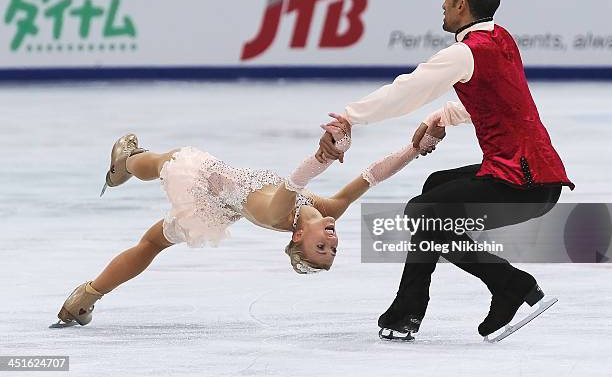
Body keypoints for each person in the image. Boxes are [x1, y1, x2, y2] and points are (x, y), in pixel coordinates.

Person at [317, 0, 574, 341]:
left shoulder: (465, 52)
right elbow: (497, 100)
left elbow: (407, 90)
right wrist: (442, 117)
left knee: (423, 211)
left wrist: (348, 117)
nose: (442, 4)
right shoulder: (500, 40)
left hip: (523, 182)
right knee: (435, 190)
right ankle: (407, 310)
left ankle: (509, 283)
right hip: (535, 177)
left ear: (461, 5)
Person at [52, 115, 441, 328]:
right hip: (224, 208)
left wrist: (325, 154)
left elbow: (297, 180)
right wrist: (413, 148)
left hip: (209, 184)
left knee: (170, 161)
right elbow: (373, 175)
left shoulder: (280, 213)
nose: (331, 242)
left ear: (297, 236)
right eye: (332, 250)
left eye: (319, 248)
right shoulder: (330, 208)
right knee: (151, 243)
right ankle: (85, 297)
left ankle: (125, 162)